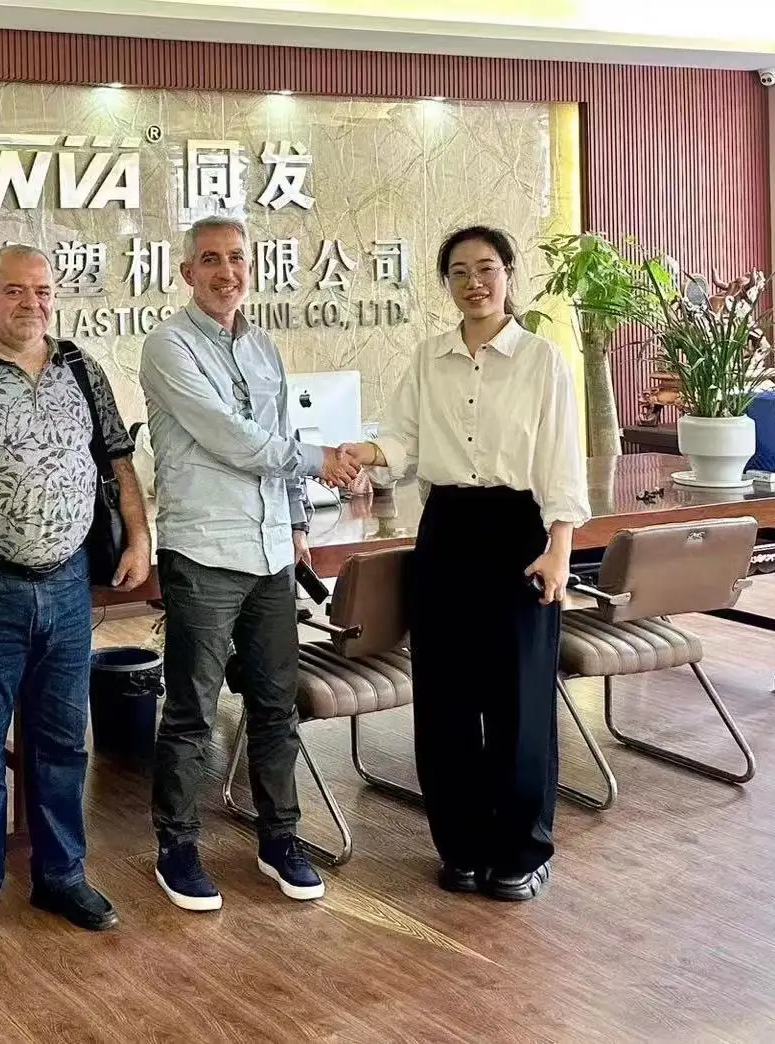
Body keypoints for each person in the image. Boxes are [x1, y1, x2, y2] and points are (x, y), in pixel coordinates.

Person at [0, 244, 152, 949]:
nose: (32, 303)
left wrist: (139, 537)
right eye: (14, 290)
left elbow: (119, 462)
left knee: (63, 742)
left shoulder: (82, 370)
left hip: (68, 587)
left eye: (42, 291)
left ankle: (61, 874)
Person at [341, 225, 590, 902]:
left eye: (486, 268)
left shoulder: (542, 360)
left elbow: (562, 461)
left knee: (519, 699)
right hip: (447, 528)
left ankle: (522, 850)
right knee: (446, 699)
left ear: (509, 274)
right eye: (458, 272)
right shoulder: (430, 358)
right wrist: (365, 452)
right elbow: (404, 439)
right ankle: (462, 847)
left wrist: (560, 548)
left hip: (520, 532)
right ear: (446, 282)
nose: (473, 283)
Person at [139, 216, 358, 912]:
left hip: (269, 555)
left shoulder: (262, 346)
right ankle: (177, 847)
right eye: (210, 260)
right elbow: (230, 438)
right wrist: (321, 461)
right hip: (203, 550)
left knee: (274, 707)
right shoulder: (168, 346)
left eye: (236, 258)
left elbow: (278, 434)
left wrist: (296, 523)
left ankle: (280, 838)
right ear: (187, 273)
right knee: (193, 711)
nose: (225, 272)